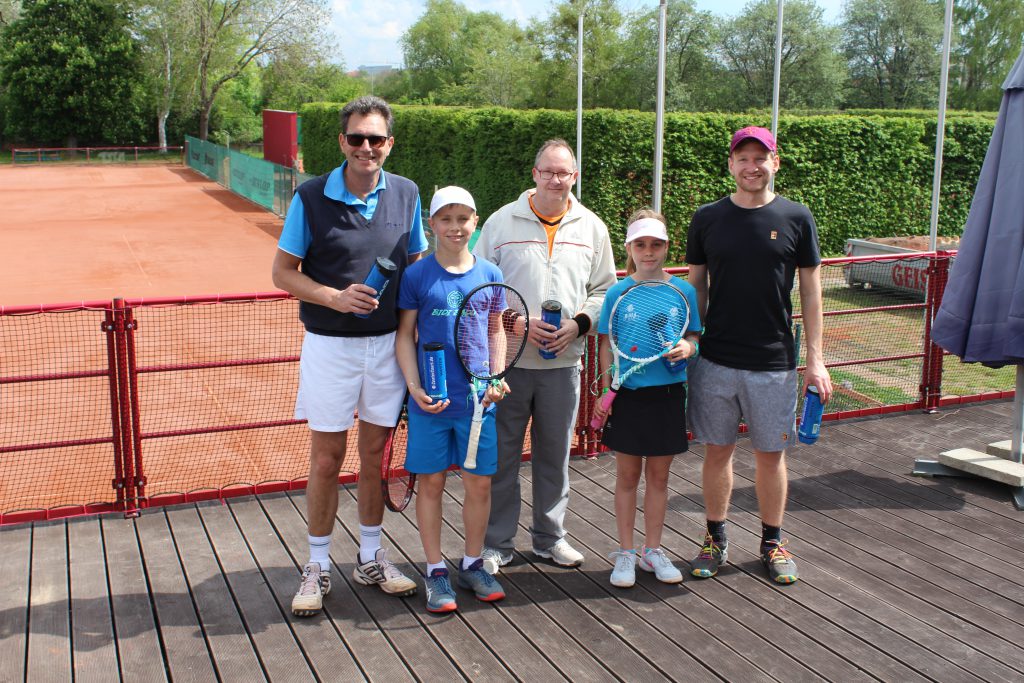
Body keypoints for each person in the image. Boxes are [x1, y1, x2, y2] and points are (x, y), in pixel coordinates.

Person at [272, 96, 427, 617]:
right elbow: (283, 273)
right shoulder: (310, 196)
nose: (366, 147)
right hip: (330, 347)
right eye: (357, 138)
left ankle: (369, 557)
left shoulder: (406, 193)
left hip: (388, 347)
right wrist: (334, 297)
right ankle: (316, 565)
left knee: (372, 458)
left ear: (389, 143)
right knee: (325, 458)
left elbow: (421, 265)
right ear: (342, 142)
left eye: (376, 139)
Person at [685, 125, 833, 585]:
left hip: (773, 361)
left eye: (760, 158)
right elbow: (696, 287)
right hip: (715, 361)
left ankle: (772, 541)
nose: (752, 166)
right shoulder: (707, 218)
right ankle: (715, 540)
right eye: (743, 158)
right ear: (731, 165)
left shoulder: (796, 217)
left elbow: (811, 291)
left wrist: (815, 357)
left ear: (775, 163)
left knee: (771, 456)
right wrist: (692, 341)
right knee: (717, 453)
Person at [473, 139, 618, 573]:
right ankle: (498, 543)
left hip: (563, 366)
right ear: (534, 174)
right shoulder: (500, 223)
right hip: (509, 365)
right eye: (549, 171)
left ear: (574, 177)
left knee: (555, 457)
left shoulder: (592, 228)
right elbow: (482, 289)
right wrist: (516, 322)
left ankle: (550, 539)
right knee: (502, 459)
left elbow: (604, 290)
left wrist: (580, 324)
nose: (557, 179)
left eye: (565, 173)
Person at [395, 186, 508, 613]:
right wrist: (414, 387)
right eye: (446, 219)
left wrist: (494, 375)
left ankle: (474, 563)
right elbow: (405, 335)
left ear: (475, 222)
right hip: (432, 403)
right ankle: (435, 570)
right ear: (432, 224)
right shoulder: (417, 275)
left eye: (463, 219)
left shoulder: (491, 273)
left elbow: (495, 330)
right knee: (432, 482)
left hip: (479, 404)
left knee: (479, 483)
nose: (455, 227)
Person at [593, 210, 702, 588]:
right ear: (629, 248)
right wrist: (608, 387)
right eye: (641, 244)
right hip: (628, 397)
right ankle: (625, 552)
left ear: (667, 246)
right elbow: (607, 344)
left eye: (656, 244)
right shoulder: (617, 292)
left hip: (669, 397)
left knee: (659, 477)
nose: (649, 252)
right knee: (627, 476)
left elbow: (695, 337)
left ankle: (652, 551)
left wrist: (688, 347)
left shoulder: (683, 292)